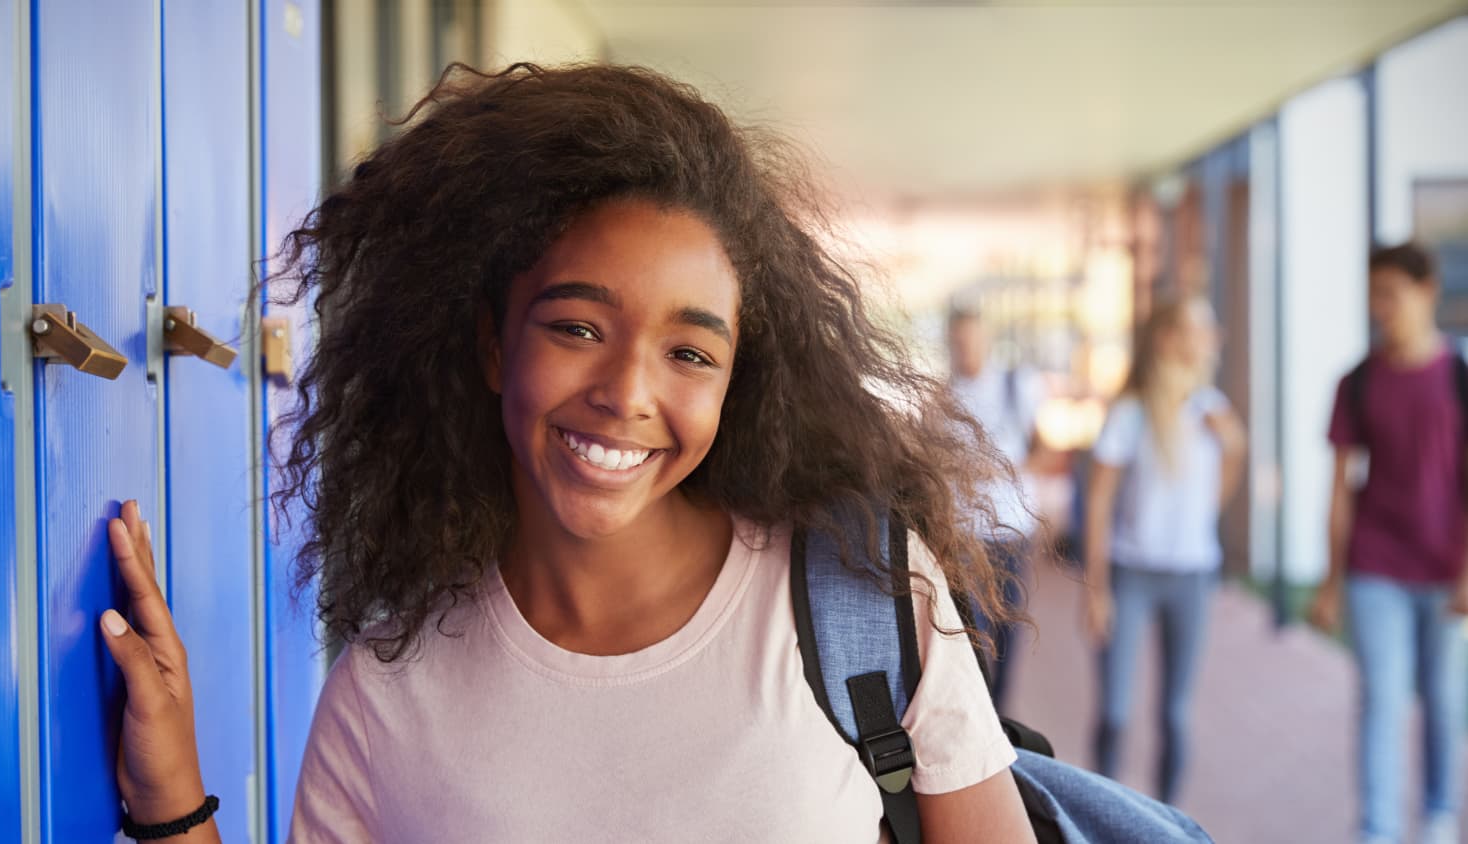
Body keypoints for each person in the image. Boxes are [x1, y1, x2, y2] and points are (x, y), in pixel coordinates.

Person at [96, 63, 1035, 842]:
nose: (627, 393)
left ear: (736, 380)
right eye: (579, 328)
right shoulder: (390, 691)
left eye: (689, 353)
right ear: (491, 344)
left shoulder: (857, 605)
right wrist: (171, 794)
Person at [1308, 242, 1467, 844]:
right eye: (1374, 294)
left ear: (1428, 293)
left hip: (1445, 568)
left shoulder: (1458, 375)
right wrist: (1330, 581)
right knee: (1381, 699)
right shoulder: (1358, 381)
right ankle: (1378, 830)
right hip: (1376, 566)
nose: (1380, 308)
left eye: (1391, 294)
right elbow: (1341, 488)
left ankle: (1438, 815)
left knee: (1444, 699)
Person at [1081, 294, 1246, 805]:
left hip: (1191, 578)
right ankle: (1102, 811)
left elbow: (1224, 484)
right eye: (1201, 328)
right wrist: (1096, 589)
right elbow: (1099, 502)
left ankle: (1164, 818)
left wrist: (1234, 446)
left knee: (1176, 714)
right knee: (1116, 710)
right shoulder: (1130, 412)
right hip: (1131, 575)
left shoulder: (1213, 410)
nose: (1211, 338)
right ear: (1169, 338)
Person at [945, 299, 1044, 705]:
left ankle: (999, 716)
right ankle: (979, 711)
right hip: (963, 532)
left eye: (971, 338)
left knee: (1006, 631)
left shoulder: (1016, 385)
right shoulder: (943, 397)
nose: (966, 348)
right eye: (958, 341)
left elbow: (1044, 450)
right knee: (971, 630)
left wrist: (1004, 469)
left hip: (1008, 531)